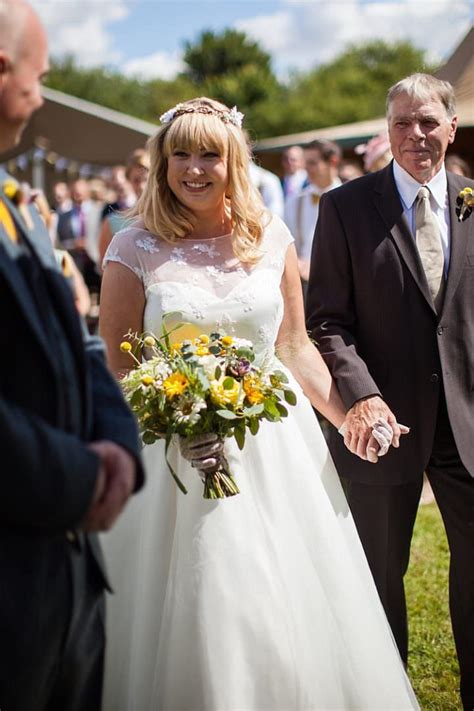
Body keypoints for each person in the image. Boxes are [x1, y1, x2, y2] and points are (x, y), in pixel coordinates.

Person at [99, 96, 418, 710]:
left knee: (288, 596)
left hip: (275, 450)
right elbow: (120, 366)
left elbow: (295, 347)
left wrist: (350, 411)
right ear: (161, 164)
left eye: (209, 154)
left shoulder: (271, 237)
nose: (194, 168)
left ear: (234, 161)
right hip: (173, 457)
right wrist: (172, 420)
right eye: (180, 154)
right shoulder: (132, 247)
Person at [306, 73, 474, 711]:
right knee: (378, 578)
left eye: (429, 121)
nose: (416, 135)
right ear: (387, 131)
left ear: (451, 128)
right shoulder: (345, 207)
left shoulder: (472, 200)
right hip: (379, 425)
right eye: (403, 122)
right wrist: (361, 397)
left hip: (468, 424)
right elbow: (326, 321)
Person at [0, 1, 144, 709]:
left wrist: (119, 441)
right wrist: (82, 472)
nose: (42, 92)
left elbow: (75, 332)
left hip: (68, 585)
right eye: (39, 75)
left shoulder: (16, 203)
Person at [284, 138, 342, 285]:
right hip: (305, 284)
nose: (306, 169)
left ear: (333, 162)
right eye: (305, 163)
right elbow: (287, 245)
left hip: (341, 282)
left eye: (313, 163)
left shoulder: (352, 200)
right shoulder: (294, 202)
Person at [97, 148, 150, 265]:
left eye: (146, 179)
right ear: (129, 181)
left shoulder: (172, 218)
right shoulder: (113, 221)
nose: (141, 186)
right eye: (136, 180)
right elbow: (104, 268)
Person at [56, 178, 102, 293]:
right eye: (75, 191)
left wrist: (90, 244)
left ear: (87, 191)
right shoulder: (63, 216)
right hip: (76, 264)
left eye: (80, 191)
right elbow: (59, 243)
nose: (78, 194)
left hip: (96, 262)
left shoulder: (99, 211)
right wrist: (74, 244)